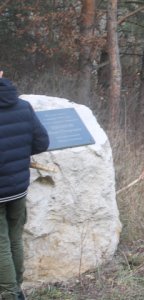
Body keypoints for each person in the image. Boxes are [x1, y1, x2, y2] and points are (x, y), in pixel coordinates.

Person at [0, 71, 49, 300]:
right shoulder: (23, 107)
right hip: (18, 187)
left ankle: (9, 294)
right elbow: (42, 142)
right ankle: (18, 288)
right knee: (15, 238)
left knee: (1, 243)